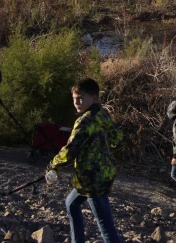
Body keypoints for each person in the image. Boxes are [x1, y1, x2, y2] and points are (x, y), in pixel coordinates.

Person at [46, 78, 124, 243]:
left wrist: (53, 165)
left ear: (95, 98)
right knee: (71, 204)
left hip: (91, 179)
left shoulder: (85, 121)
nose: (77, 102)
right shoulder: (102, 113)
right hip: (104, 172)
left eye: (81, 98)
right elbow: (117, 138)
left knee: (104, 224)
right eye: (74, 98)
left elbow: (70, 150)